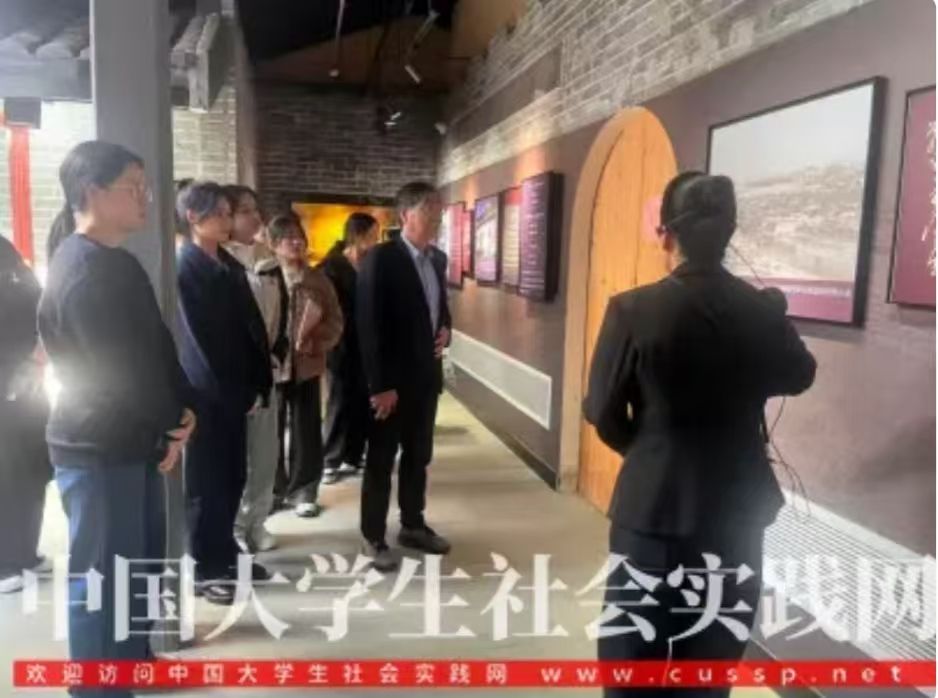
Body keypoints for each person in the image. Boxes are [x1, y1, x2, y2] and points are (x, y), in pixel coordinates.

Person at [583, 172, 817, 696]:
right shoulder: (762, 309)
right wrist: (774, 317)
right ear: (730, 231)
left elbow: (602, 410)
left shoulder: (632, 309)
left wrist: (647, 449)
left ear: (667, 235)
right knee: (710, 665)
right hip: (737, 511)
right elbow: (799, 375)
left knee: (632, 660)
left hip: (651, 510)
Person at [37, 141, 196, 681]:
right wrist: (168, 427)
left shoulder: (116, 261)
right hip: (98, 448)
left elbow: (156, 347)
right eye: (134, 187)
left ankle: (129, 669)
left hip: (134, 439)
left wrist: (182, 411)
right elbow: (116, 376)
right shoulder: (82, 270)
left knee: (138, 568)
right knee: (102, 580)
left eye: (145, 187)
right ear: (92, 193)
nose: (145, 198)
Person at [176, 181, 272, 605]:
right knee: (206, 483)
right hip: (208, 396)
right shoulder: (186, 268)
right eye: (218, 212)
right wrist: (224, 393)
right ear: (193, 217)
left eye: (227, 212)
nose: (226, 219)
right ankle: (204, 567)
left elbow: (250, 328)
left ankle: (225, 551)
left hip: (237, 391)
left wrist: (257, 383)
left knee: (233, 476)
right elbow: (197, 345)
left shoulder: (228, 263)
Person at [356, 182, 453, 573]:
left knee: (418, 456)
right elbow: (368, 325)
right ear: (405, 215)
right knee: (381, 460)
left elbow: (439, 309)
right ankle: (373, 536)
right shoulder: (381, 259)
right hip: (391, 385)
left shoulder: (438, 260)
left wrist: (446, 330)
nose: (436, 218)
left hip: (426, 379)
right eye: (428, 210)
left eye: (439, 211)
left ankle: (412, 524)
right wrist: (380, 386)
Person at [223, 185, 288, 553]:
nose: (256, 217)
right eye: (245, 210)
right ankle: (233, 525)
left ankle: (257, 521)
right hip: (233, 378)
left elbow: (284, 314)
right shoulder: (217, 260)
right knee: (236, 456)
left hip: (267, 373)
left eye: (255, 209)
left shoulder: (269, 260)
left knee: (265, 454)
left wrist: (277, 352)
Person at [267, 215, 343, 518]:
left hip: (307, 365)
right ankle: (274, 489)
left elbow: (335, 321)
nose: (296, 242)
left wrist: (315, 342)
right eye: (288, 237)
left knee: (306, 428)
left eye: (299, 236)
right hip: (272, 367)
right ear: (274, 244)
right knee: (270, 432)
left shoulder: (317, 279)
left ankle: (304, 490)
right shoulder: (264, 275)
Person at [0, 237, 51, 594]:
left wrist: (38, 352)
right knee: (6, 473)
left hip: (27, 383)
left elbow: (38, 300)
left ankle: (24, 552)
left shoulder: (5, 250)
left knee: (32, 468)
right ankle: (4, 562)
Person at [319, 213, 380, 484]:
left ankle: (354, 454)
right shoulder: (332, 266)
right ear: (358, 235)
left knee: (363, 398)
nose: (376, 240)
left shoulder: (371, 264)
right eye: (373, 235)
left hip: (366, 341)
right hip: (340, 342)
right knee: (340, 399)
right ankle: (330, 458)